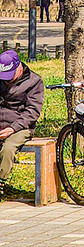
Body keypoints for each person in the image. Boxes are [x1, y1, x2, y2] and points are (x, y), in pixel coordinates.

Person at [0, 50, 44, 189]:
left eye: (10, 75)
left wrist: (12, 128)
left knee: (8, 148)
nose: (7, 80)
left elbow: (32, 112)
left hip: (21, 127)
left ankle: (1, 182)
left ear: (19, 67)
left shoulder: (34, 82)